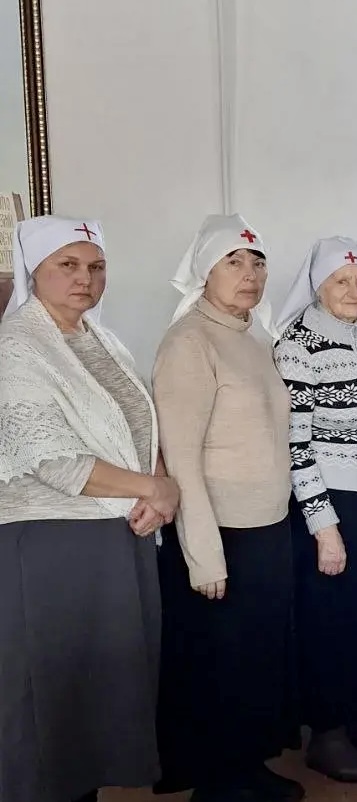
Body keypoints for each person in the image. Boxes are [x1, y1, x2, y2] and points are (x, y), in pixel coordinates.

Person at [0, 217, 176, 802]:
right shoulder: (17, 345)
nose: (85, 278)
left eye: (96, 266)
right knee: (51, 705)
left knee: (95, 704)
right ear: (35, 271)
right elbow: (51, 459)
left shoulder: (102, 338)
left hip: (113, 538)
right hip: (51, 543)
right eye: (68, 265)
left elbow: (138, 429)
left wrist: (156, 485)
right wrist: (155, 488)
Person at [152, 214, 300, 802]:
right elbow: (181, 457)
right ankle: (221, 784)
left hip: (266, 527)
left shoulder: (252, 337)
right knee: (222, 666)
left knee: (255, 659)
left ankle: (245, 768)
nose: (250, 274)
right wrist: (204, 554)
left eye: (258, 263)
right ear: (204, 273)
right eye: (233, 262)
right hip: (221, 534)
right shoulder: (189, 342)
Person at [272, 237, 357, 783]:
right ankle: (326, 733)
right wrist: (323, 526)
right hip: (326, 503)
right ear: (318, 286)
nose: (354, 291)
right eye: (341, 281)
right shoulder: (297, 345)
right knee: (328, 618)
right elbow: (295, 445)